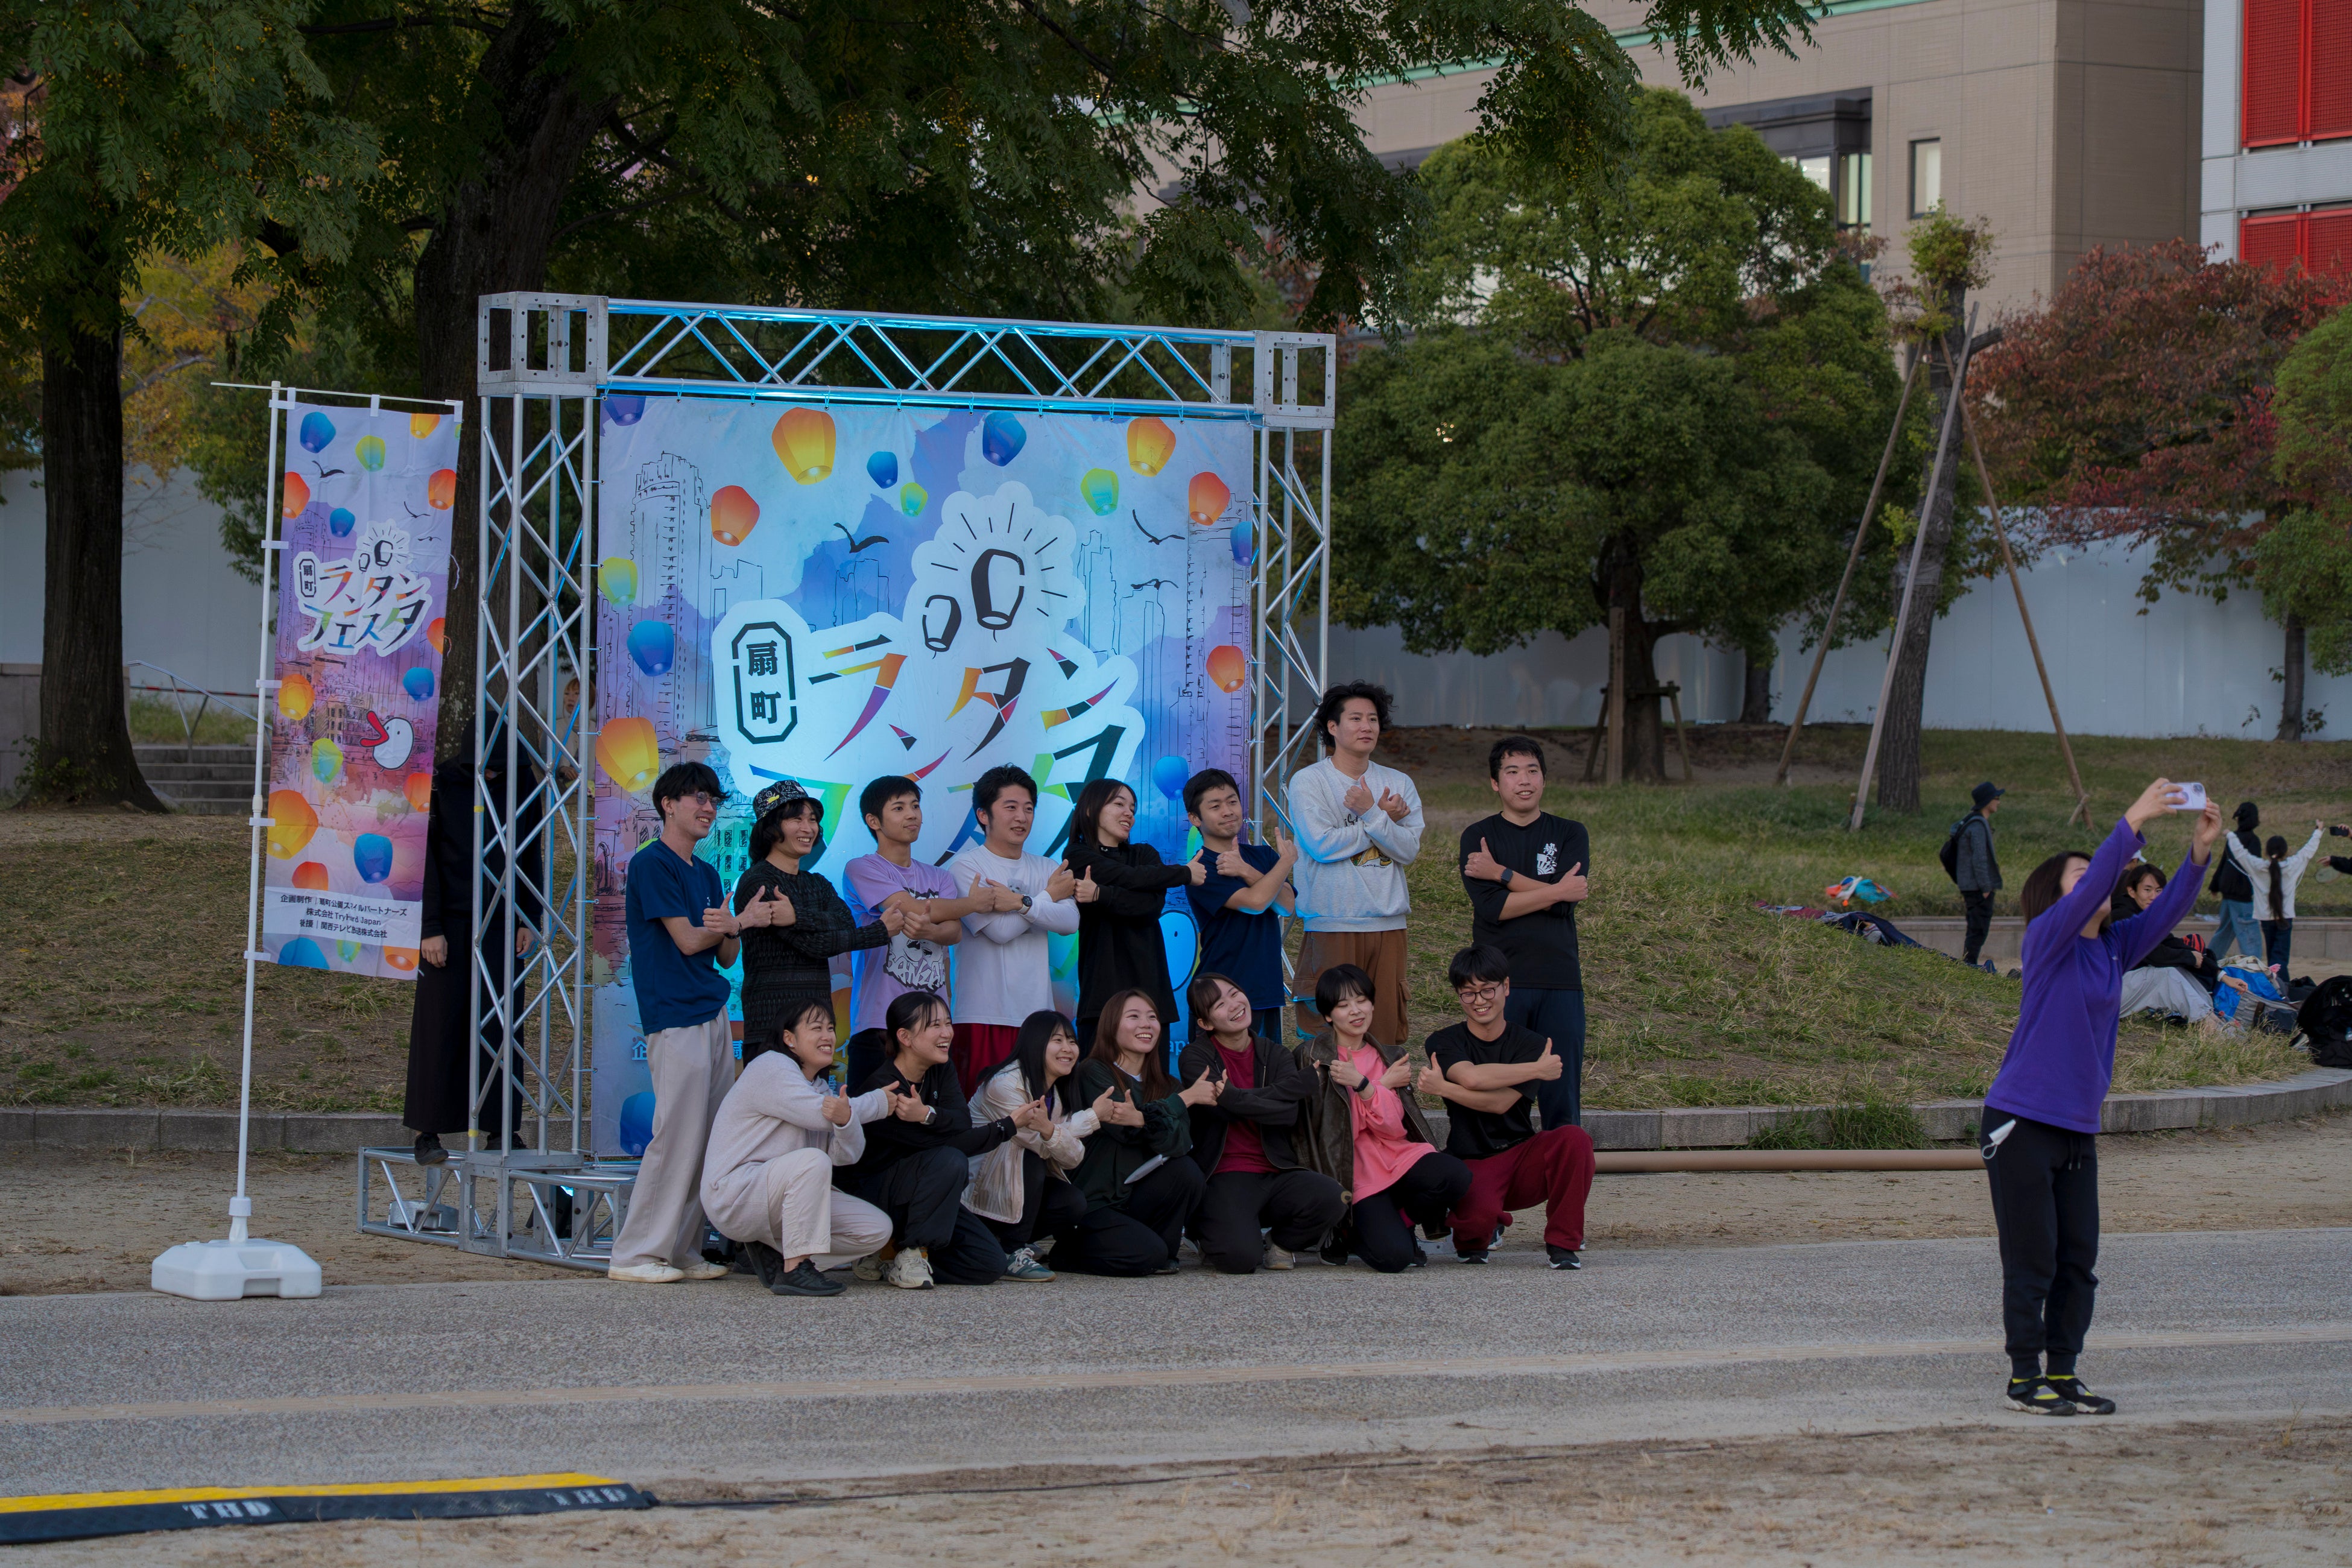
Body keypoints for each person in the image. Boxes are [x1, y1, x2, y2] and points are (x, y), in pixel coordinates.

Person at [1980, 778, 2219, 1416]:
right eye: (2082, 875)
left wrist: (2199, 853)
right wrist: (2133, 820)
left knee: (2078, 1259)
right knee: (2032, 1258)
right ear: (2056, 894)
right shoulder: (2048, 939)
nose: (2097, 883)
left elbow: (2166, 913)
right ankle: (2023, 1377)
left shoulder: (2112, 947)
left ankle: (2063, 1372)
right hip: (2020, 1120)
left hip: (2076, 1127)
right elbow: (2092, 890)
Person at [609, 760, 764, 1285]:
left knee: (710, 1135)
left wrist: (734, 928)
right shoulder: (651, 864)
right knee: (676, 1134)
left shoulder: (707, 873)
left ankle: (682, 1249)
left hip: (713, 1009)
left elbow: (724, 955)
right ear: (668, 805)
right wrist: (737, 922)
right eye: (697, 798)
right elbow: (688, 939)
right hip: (675, 1015)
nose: (708, 808)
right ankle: (635, 1253)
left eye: (713, 800)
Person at [841, 989, 1051, 1288]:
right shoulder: (885, 1088)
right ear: (905, 1037)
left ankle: (892, 1258)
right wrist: (1007, 1126)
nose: (947, 1033)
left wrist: (925, 1114)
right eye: (934, 1025)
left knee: (988, 1265)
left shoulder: (941, 1068)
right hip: (881, 1197)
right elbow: (951, 1145)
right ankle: (913, 1252)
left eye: (948, 1023)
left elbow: (961, 1121)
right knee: (949, 1160)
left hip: (930, 1199)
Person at [403, 736, 542, 1165]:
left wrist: (528, 918)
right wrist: (430, 927)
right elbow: (422, 858)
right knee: (440, 1023)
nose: (492, 776)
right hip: (449, 920)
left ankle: (502, 1128)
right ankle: (428, 1131)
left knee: (502, 1026)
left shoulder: (524, 784)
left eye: (499, 770)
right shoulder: (441, 783)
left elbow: (530, 852)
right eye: (485, 769)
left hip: (502, 920)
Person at [698, 998, 895, 1297]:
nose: (828, 1036)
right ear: (789, 1039)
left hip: (776, 1198)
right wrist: (878, 1103)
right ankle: (796, 1268)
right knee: (812, 1161)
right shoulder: (771, 1067)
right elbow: (819, 1114)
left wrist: (846, 1121)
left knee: (875, 1229)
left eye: (831, 1028)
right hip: (735, 1195)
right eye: (816, 1028)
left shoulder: (818, 1087)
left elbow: (845, 1155)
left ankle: (777, 1254)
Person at [1419, 945, 1597, 1269]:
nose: (1479, 1000)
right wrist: (1537, 1070)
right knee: (1474, 1238)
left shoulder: (1532, 1044)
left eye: (1488, 989)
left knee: (1574, 1139)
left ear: (1506, 987)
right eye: (1468, 993)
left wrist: (1443, 1087)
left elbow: (1501, 1103)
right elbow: (1472, 1078)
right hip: (1471, 1160)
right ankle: (1476, 1225)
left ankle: (1564, 1244)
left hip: (1522, 1156)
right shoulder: (1444, 1041)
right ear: (1459, 996)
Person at [1296, 964, 1471, 1274]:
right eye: (1343, 1005)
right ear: (1328, 1015)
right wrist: (1382, 1086)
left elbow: (1392, 1129)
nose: (1356, 1011)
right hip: (1353, 1169)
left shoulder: (1390, 1056)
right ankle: (1349, 1229)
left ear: (1373, 1004)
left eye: (1362, 1000)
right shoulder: (1314, 1059)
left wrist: (1365, 1086)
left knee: (1456, 1176)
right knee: (1393, 1259)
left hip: (1396, 1157)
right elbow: (1334, 1133)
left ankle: (1403, 1223)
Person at [1457, 736, 1589, 1129]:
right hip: (1499, 982)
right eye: (1512, 772)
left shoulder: (1570, 833)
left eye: (1533, 771)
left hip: (1559, 979)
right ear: (1495, 783)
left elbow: (1565, 905)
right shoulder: (1478, 837)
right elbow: (1494, 909)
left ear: (1544, 779)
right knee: (1500, 1091)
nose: (1524, 780)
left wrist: (1500, 873)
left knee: (1561, 1094)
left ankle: (1563, 1160)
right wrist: (1556, 890)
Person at [1175, 972, 1344, 1274]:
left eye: (1234, 993)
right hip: (1224, 1175)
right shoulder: (1196, 1057)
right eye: (1219, 1004)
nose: (1234, 1004)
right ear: (1206, 1023)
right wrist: (1291, 1088)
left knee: (1334, 1198)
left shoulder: (1275, 1053)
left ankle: (1280, 1242)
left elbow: (1287, 1115)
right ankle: (1204, 1230)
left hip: (1276, 1170)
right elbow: (1221, 1111)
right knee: (1240, 1260)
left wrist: (1232, 1096)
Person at [732, 780, 900, 1070]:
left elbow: (845, 924)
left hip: (816, 1026)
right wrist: (880, 932)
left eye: (812, 820)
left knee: (814, 1100)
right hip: (772, 1027)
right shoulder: (758, 881)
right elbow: (815, 945)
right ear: (771, 827)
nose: (808, 828)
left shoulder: (818, 883)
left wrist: (797, 916)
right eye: (796, 819)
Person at [1289, 682, 1423, 1048]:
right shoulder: (1309, 781)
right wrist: (1382, 820)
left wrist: (1372, 815)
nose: (1367, 727)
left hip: (1389, 922)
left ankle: (1382, 1089)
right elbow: (1321, 845)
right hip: (1333, 920)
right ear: (1332, 727)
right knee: (1330, 1035)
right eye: (1356, 718)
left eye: (1373, 719)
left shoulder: (1398, 782)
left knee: (1385, 1030)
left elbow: (1408, 850)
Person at [842, 776, 998, 1089]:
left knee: (932, 1113)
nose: (912, 815)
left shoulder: (939, 876)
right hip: (880, 1021)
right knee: (874, 1113)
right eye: (899, 808)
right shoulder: (862, 868)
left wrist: (930, 930)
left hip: (933, 1023)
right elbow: (909, 906)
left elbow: (953, 932)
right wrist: (972, 904)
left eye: (915, 806)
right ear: (874, 821)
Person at [1060, 988, 1216, 1275]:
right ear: (1111, 1026)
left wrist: (1142, 1119)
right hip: (1098, 1203)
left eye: (1152, 1017)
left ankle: (1162, 1251)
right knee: (1146, 1255)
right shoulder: (1094, 1071)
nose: (1146, 1024)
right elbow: (1122, 1129)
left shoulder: (1169, 1085)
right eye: (1134, 1017)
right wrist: (1184, 1100)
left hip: (1138, 1197)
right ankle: (1067, 1253)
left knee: (1186, 1171)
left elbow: (1179, 1143)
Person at [946, 766, 1081, 1093]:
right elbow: (1000, 932)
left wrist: (1019, 903)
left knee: (1037, 1110)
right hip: (982, 1014)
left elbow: (1070, 923)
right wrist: (1044, 899)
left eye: (1028, 808)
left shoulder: (1047, 867)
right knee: (983, 1110)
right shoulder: (967, 867)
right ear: (983, 815)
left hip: (1038, 1017)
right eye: (1010, 807)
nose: (1021, 817)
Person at [963, 1010, 1108, 1281]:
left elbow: (1073, 1157)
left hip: (1012, 1191)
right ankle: (1012, 1249)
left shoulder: (1058, 1089)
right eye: (1058, 1040)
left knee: (1072, 1203)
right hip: (978, 1192)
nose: (1068, 1049)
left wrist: (1052, 1131)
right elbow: (1038, 1146)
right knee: (1030, 1157)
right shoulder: (1005, 1084)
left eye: (1072, 1041)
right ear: (1035, 1043)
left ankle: (1011, 1241)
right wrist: (1090, 1118)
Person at [1063, 778, 1204, 1048]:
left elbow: (1148, 908)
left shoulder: (1145, 854)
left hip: (1151, 990)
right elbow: (1124, 876)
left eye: (1132, 808)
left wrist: (1100, 894)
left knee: (1153, 1075)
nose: (1129, 813)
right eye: (1119, 804)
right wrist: (1183, 873)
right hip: (1102, 993)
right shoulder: (1077, 856)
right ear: (1090, 809)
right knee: (1100, 1074)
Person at [1184, 769, 1298, 1045]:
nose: (1228, 811)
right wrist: (1285, 863)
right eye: (1215, 806)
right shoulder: (1201, 868)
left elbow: (1287, 905)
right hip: (1220, 996)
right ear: (1195, 819)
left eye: (1232, 802)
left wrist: (1246, 870)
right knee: (1221, 1073)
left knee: (1267, 1070)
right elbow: (1256, 903)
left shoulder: (1262, 855)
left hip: (1266, 989)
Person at [2226, 823, 2325, 973]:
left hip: (2265, 918)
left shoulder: (2258, 866)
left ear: (2267, 852)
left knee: (2274, 956)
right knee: (2280, 959)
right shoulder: (2292, 865)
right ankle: (2280, 985)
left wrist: (2230, 835)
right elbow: (2307, 851)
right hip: (2285, 918)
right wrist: (2318, 831)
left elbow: (2241, 854)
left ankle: (2275, 983)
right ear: (2286, 852)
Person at [1954, 781, 2004, 969]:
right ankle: (1969, 965)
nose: (1999, 802)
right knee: (1978, 929)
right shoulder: (1977, 826)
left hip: (1973, 886)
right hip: (1977, 887)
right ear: (1987, 801)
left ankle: (1969, 964)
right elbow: (1979, 859)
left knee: (1977, 928)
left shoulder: (1975, 823)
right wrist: (1986, 887)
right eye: (1997, 798)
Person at [2207, 801, 2264, 963]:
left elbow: (2223, 863)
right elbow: (2255, 868)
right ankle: (2255, 966)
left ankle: (2209, 961)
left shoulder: (2233, 839)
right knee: (2249, 933)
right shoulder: (2253, 841)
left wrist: (2215, 886)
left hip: (2228, 893)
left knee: (2224, 931)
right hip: (2242, 895)